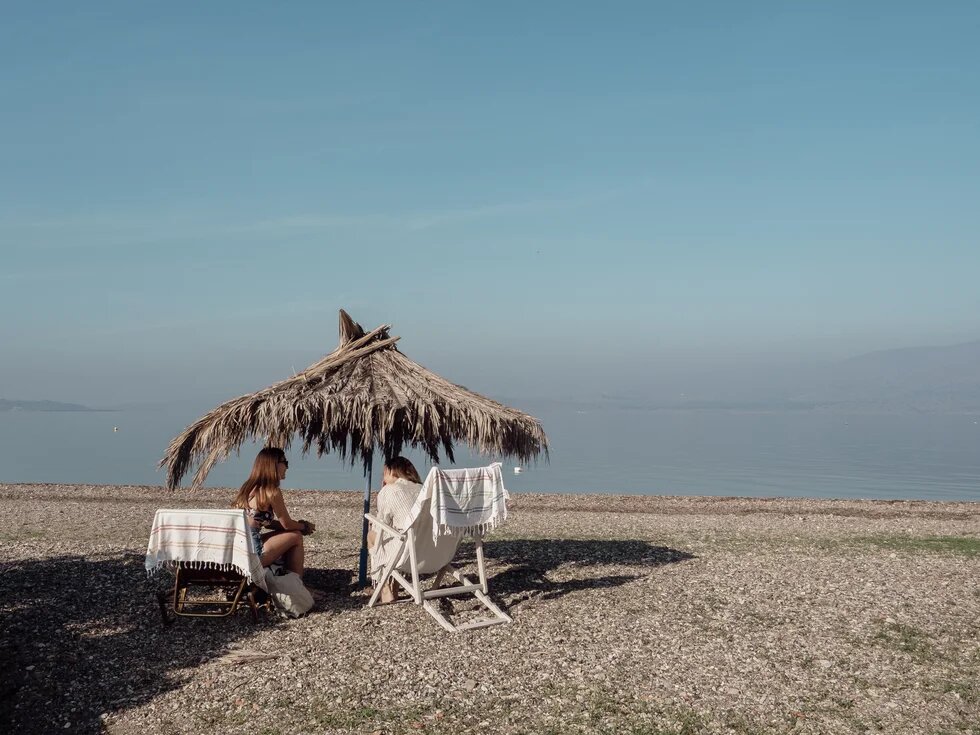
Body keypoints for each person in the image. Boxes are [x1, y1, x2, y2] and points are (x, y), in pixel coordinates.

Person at [232, 447, 315, 578]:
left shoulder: (248, 488)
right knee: (296, 536)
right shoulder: (271, 491)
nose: (287, 467)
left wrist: (296, 525)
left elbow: (265, 523)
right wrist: (304, 527)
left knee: (289, 534)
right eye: (285, 462)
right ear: (274, 465)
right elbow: (287, 524)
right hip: (253, 554)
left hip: (237, 549)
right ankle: (296, 586)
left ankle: (284, 578)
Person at [368, 456, 423, 603]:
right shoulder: (422, 489)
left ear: (393, 472)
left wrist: (384, 491)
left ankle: (385, 589)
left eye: (384, 473)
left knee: (373, 537)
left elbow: (381, 524)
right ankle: (396, 587)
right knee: (398, 533)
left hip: (405, 552)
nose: (383, 476)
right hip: (428, 550)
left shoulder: (390, 490)